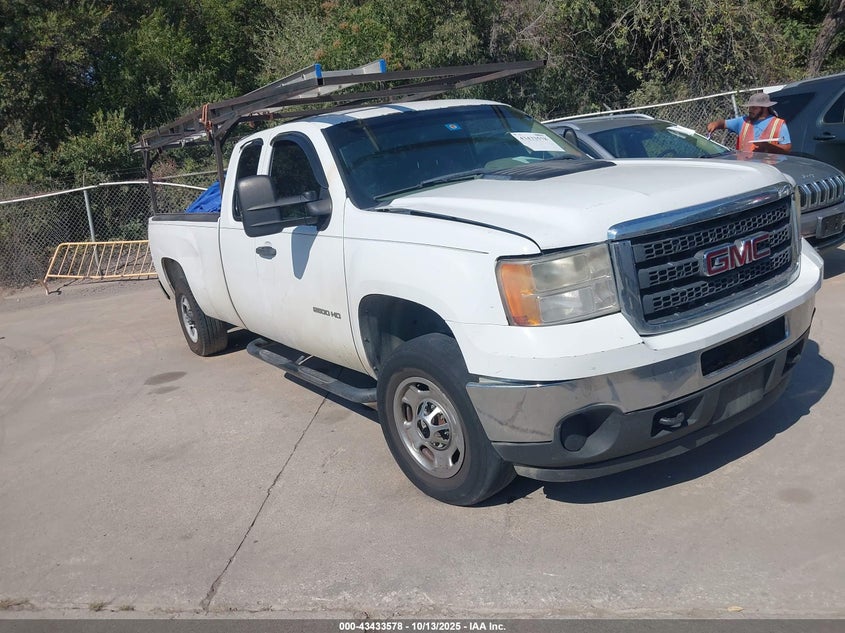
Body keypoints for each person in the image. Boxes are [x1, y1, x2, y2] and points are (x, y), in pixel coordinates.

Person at [706, 93, 792, 154]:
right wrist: (715, 124)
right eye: (750, 107)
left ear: (764, 108)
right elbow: (724, 123)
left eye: (754, 108)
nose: (750, 110)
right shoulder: (742, 121)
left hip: (768, 170)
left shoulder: (778, 124)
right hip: (745, 168)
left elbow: (787, 148)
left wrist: (768, 147)